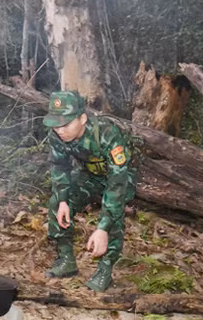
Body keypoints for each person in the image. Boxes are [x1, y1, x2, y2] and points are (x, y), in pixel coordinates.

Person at [43, 90, 137, 292]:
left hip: (120, 177)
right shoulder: (57, 135)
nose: (59, 130)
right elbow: (60, 167)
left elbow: (117, 185)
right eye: (55, 124)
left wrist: (102, 228)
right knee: (57, 203)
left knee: (114, 215)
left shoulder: (107, 134)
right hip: (90, 174)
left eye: (66, 124)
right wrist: (62, 200)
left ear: (82, 118)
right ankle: (66, 259)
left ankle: (105, 269)